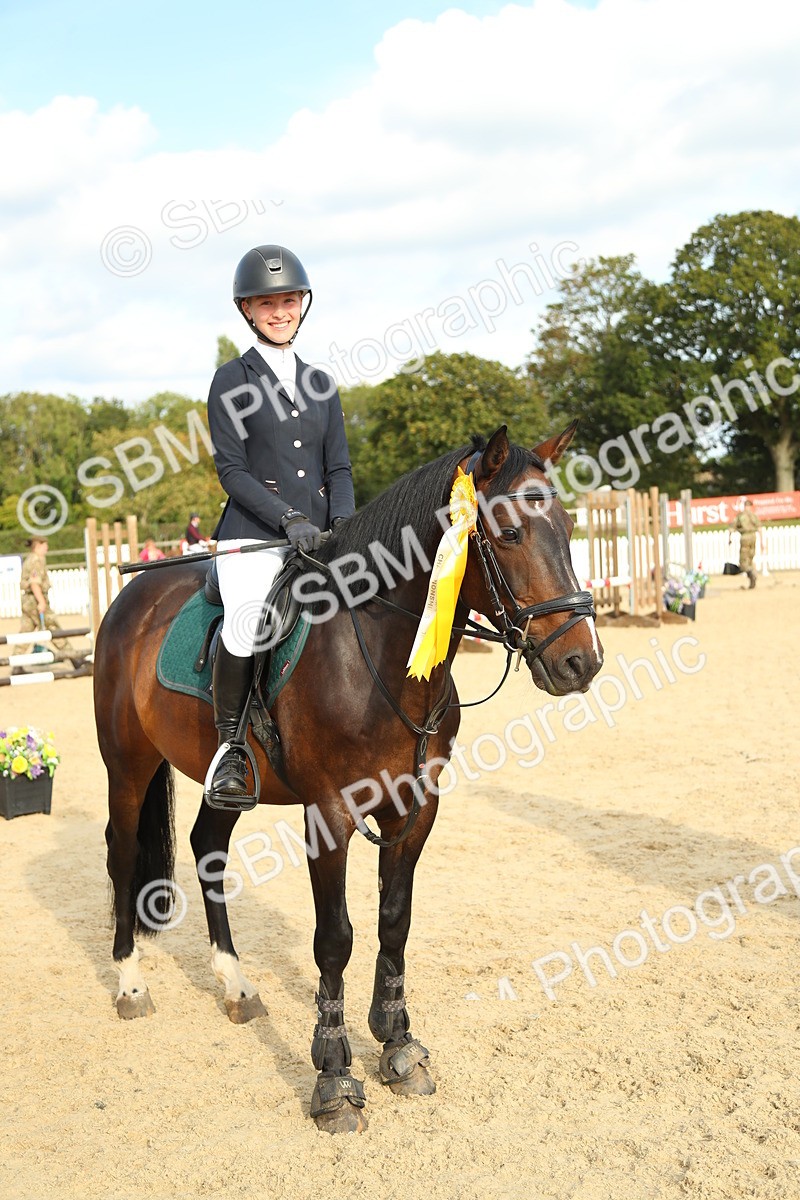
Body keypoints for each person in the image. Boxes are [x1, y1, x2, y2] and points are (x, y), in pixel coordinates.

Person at [205, 244, 356, 801]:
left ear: (302, 304)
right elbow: (232, 470)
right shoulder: (231, 379)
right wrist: (287, 517)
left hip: (320, 538)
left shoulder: (321, 382)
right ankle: (230, 751)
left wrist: (342, 524)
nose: (280, 311)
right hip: (252, 537)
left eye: (288, 300)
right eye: (267, 303)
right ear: (247, 309)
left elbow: (337, 467)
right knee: (247, 622)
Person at [16, 536, 79, 667]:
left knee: (25, 634)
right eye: (45, 545)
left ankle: (16, 663)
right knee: (54, 629)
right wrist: (41, 602)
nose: (47, 548)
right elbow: (34, 583)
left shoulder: (30, 559)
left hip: (28, 601)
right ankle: (75, 659)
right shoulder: (36, 560)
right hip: (35, 600)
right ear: (37, 545)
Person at [731, 499, 762, 588]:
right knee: (751, 558)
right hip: (753, 537)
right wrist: (762, 542)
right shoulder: (754, 516)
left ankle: (751, 574)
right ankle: (752, 578)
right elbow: (760, 529)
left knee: (743, 561)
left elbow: (732, 527)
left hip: (745, 538)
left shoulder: (740, 516)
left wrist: (729, 539)